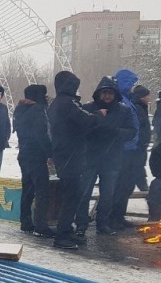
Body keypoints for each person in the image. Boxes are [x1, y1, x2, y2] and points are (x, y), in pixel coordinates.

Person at [47, 71, 105, 249]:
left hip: (63, 153)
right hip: (71, 155)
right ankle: (63, 235)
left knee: (70, 194)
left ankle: (66, 230)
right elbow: (85, 120)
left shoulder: (56, 104)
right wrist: (99, 115)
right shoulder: (69, 103)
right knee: (71, 196)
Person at [76, 76, 136, 236]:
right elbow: (79, 129)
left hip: (112, 159)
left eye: (110, 93)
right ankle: (81, 223)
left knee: (108, 194)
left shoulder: (124, 110)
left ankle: (103, 223)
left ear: (115, 94)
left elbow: (132, 131)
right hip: (90, 157)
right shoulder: (88, 108)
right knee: (84, 192)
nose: (107, 96)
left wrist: (116, 132)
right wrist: (95, 127)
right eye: (104, 93)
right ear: (98, 93)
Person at [13, 84, 54, 238]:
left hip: (24, 154)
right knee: (42, 190)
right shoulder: (37, 111)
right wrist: (50, 152)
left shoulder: (20, 109)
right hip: (36, 155)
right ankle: (41, 226)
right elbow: (41, 134)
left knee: (28, 189)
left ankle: (26, 222)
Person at [111, 84, 152, 228]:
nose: (149, 98)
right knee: (124, 184)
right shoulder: (136, 108)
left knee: (129, 183)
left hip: (137, 150)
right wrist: (140, 143)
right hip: (133, 150)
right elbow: (137, 128)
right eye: (147, 95)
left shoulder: (139, 107)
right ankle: (115, 216)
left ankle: (119, 215)